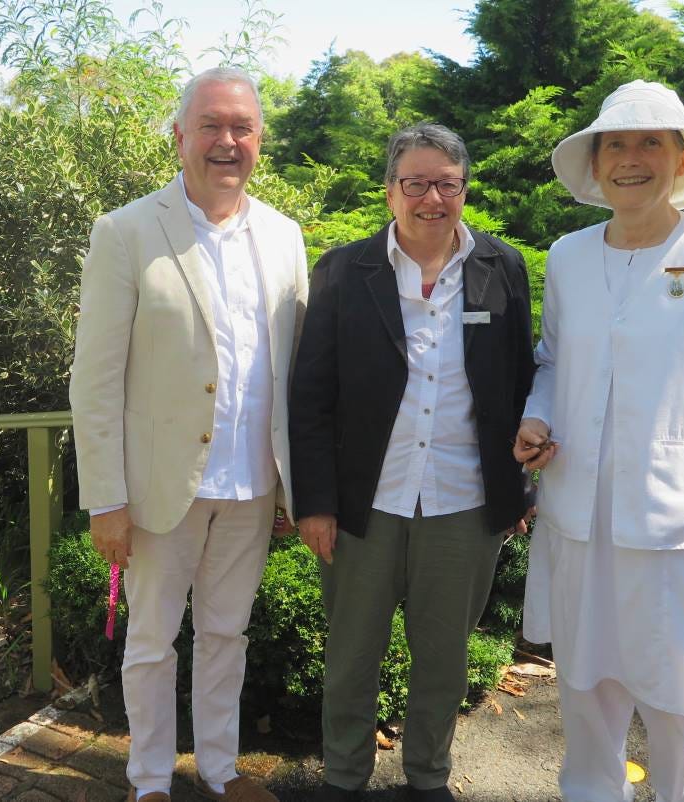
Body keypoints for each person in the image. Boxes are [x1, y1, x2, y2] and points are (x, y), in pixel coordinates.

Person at [514, 80, 684, 802]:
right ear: (595, 164)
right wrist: (537, 419)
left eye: (650, 142)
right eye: (615, 145)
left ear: (682, 157)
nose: (631, 159)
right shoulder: (567, 255)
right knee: (585, 693)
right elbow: (554, 361)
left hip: (681, 527)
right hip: (580, 520)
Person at [69, 67, 307, 802]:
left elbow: (293, 371)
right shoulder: (127, 230)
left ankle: (220, 768)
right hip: (156, 489)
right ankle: (148, 780)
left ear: (259, 141)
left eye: (242, 128)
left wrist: (298, 484)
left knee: (228, 637)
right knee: (149, 643)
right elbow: (95, 378)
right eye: (211, 125)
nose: (227, 141)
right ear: (179, 137)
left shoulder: (285, 235)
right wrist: (105, 498)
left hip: (250, 484)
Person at [289, 123, 536, 802]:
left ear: (464, 188)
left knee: (444, 662)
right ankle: (343, 778)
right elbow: (309, 394)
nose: (433, 197)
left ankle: (427, 778)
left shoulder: (501, 267)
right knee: (350, 657)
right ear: (390, 191)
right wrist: (313, 501)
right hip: (366, 502)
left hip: (463, 501)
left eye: (447, 183)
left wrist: (518, 486)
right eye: (416, 183)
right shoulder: (345, 269)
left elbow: (518, 382)